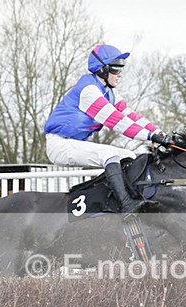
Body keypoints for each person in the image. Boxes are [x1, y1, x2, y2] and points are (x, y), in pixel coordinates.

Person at [44, 44, 171, 215]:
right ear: (102, 70)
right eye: (116, 69)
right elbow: (117, 121)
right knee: (109, 155)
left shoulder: (109, 92)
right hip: (59, 145)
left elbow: (130, 115)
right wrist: (150, 136)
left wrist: (158, 132)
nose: (119, 74)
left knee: (129, 156)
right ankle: (126, 205)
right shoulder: (89, 91)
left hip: (73, 143)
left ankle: (124, 198)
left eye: (121, 69)